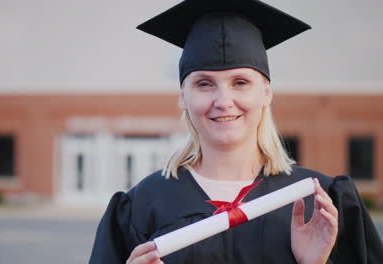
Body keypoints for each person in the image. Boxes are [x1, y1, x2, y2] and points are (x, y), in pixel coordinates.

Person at [89, 0, 383, 263]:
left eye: (240, 82)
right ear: (182, 96)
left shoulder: (320, 202)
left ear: (267, 92)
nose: (223, 101)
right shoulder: (141, 207)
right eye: (204, 84)